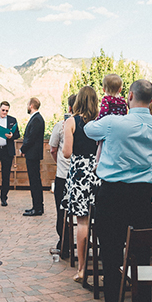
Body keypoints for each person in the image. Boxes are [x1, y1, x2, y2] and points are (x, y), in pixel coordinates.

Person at [84, 79, 152, 302]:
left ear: (129, 96)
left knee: (110, 253)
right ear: (151, 99)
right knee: (141, 252)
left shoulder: (112, 123)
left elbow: (88, 129)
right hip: (142, 196)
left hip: (113, 194)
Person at [63, 86, 100, 282]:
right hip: (98, 172)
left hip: (79, 173)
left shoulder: (72, 122)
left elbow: (67, 153)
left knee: (82, 222)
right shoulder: (101, 122)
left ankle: (82, 268)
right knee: (100, 219)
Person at [48, 94, 75, 257]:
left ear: (69, 107)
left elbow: (52, 149)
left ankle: (63, 245)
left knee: (62, 211)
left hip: (63, 175)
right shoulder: (90, 125)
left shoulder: (61, 126)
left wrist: (59, 163)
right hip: (83, 177)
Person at [21, 97, 46, 217]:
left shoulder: (36, 119)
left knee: (35, 181)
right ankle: (36, 206)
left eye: (28, 104)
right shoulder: (37, 118)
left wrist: (23, 149)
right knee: (34, 180)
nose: (27, 106)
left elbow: (31, 138)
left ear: (31, 106)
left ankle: (37, 208)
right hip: (32, 154)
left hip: (33, 155)